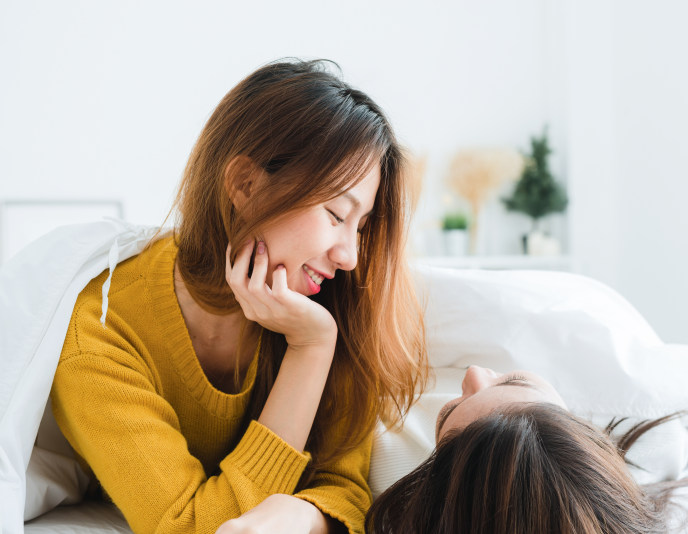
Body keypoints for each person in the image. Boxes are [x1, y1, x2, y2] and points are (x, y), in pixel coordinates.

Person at [50, 59, 428, 534]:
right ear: (245, 185)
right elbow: (188, 527)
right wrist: (309, 351)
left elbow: (345, 491)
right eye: (336, 214)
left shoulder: (339, 303)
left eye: (362, 225)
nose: (350, 256)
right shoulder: (101, 329)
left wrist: (301, 516)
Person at [367, 366, 688, 534]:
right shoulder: (660, 447)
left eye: (447, 414)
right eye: (514, 381)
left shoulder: (381, 451)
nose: (474, 373)